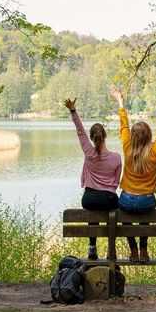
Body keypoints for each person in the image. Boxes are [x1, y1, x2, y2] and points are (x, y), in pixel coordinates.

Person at [110, 86, 156, 262]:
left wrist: (120, 102)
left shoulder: (127, 148)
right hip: (147, 201)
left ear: (133, 136)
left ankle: (133, 249)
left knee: (124, 216)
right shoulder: (155, 151)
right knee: (144, 217)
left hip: (126, 200)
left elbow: (123, 126)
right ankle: (144, 249)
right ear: (148, 136)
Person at [64, 97, 122, 260]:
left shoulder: (89, 153)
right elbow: (117, 181)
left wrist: (73, 110)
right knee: (111, 211)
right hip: (109, 199)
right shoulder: (116, 158)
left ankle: (92, 247)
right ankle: (111, 247)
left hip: (89, 199)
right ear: (105, 136)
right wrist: (108, 190)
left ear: (92, 138)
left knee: (93, 212)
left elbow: (80, 130)